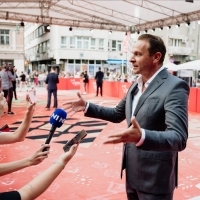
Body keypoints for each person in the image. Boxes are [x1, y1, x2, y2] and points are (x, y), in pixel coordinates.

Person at [63, 34, 190, 200]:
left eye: (138, 54)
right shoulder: (135, 85)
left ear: (156, 57)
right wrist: (87, 106)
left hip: (156, 179)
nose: (131, 59)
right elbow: (117, 114)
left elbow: (179, 137)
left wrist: (143, 135)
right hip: (132, 173)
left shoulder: (174, 87)